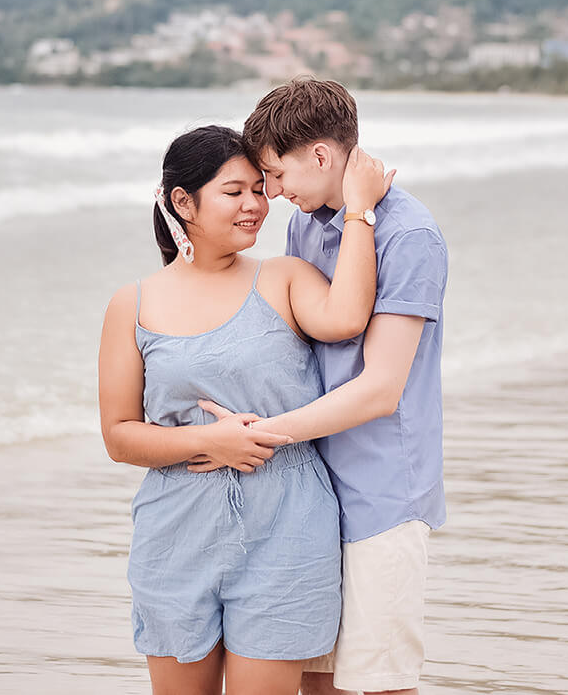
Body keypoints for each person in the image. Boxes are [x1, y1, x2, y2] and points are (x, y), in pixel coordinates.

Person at [98, 124, 396, 695]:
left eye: (260, 189)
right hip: (176, 529)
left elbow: (348, 317)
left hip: (287, 524)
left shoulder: (282, 277)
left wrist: (359, 211)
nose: (256, 205)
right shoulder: (131, 303)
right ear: (183, 202)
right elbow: (119, 435)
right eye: (235, 192)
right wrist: (210, 442)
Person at [202, 78, 448, 695]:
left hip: (382, 493)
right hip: (310, 493)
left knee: (382, 683)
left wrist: (263, 434)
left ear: (319, 155)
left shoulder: (409, 235)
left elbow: (380, 389)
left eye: (277, 174)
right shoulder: (308, 227)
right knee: (316, 681)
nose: (274, 193)